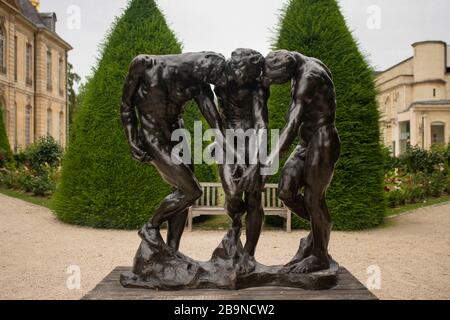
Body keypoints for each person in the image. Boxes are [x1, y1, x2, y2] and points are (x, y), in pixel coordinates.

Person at [242, 50, 341, 273]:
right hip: (306, 142)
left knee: (313, 199)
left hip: (323, 140)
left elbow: (292, 124)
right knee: (286, 191)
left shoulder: (308, 77)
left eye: (275, 80)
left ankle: (319, 256)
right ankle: (318, 231)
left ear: (284, 73)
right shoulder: (302, 63)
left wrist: (268, 163)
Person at [121, 52, 227, 251]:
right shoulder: (144, 65)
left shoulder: (198, 80)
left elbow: (211, 114)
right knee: (192, 190)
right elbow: (126, 104)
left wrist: (224, 141)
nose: (208, 85)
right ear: (199, 67)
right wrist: (131, 139)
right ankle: (150, 226)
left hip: (178, 134)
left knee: (182, 191)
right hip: (152, 135)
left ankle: (172, 250)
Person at [214, 49, 270, 272]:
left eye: (251, 74)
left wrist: (256, 163)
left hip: (253, 143)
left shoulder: (257, 88)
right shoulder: (220, 83)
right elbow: (218, 115)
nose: (247, 78)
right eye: (245, 73)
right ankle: (235, 223)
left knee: (254, 198)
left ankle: (249, 253)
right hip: (228, 143)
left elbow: (261, 123)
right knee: (233, 193)